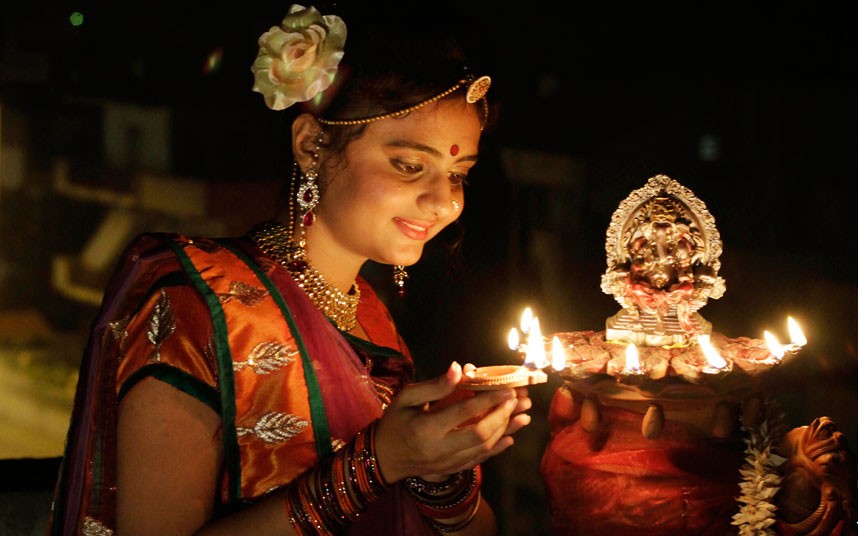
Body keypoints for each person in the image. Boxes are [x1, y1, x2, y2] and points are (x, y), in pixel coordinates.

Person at [47, 3, 533, 535]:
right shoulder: (198, 302)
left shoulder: (372, 321)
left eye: (458, 175)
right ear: (312, 144)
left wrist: (441, 472)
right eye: (410, 166)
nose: (442, 203)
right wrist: (379, 464)